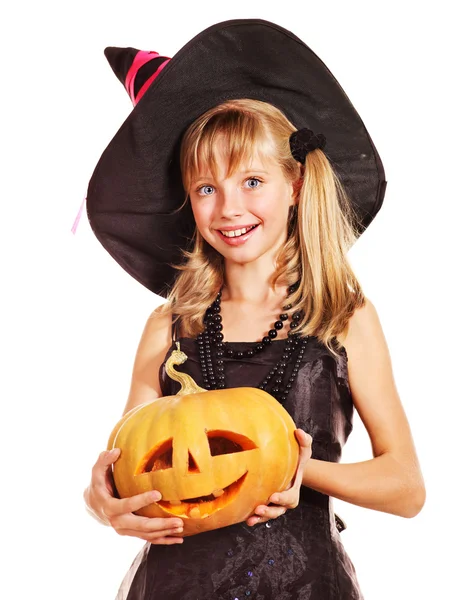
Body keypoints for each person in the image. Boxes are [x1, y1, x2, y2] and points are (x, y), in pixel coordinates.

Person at [82, 19, 426, 599]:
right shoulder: (169, 326)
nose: (228, 209)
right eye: (206, 189)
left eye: (252, 181)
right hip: (173, 587)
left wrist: (297, 470)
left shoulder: (344, 317)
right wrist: (102, 501)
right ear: (188, 201)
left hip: (305, 585)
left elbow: (407, 487)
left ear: (294, 185)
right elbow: (133, 460)